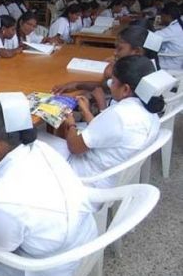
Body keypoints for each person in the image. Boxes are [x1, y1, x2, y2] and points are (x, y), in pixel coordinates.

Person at [0, 92, 97, 276]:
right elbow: (16, 207)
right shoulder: (41, 148)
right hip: (85, 241)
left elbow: (2, 246)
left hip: (49, 272)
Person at [42, 55, 166, 189]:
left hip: (86, 177)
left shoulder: (119, 115)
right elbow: (105, 131)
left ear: (125, 89)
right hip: (111, 173)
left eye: (112, 82)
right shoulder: (149, 110)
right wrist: (86, 112)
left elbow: (74, 147)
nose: (110, 86)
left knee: (34, 142)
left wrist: (71, 123)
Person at [53, 25, 162, 111]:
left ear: (137, 51)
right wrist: (76, 84)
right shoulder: (144, 66)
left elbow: (108, 73)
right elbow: (107, 84)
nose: (115, 53)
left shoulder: (138, 74)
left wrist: (101, 106)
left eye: (120, 49)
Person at [156, 5, 183, 70]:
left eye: (162, 16)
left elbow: (151, 38)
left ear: (168, 16)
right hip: (179, 61)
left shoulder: (173, 30)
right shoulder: (179, 24)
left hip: (170, 64)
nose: (161, 19)